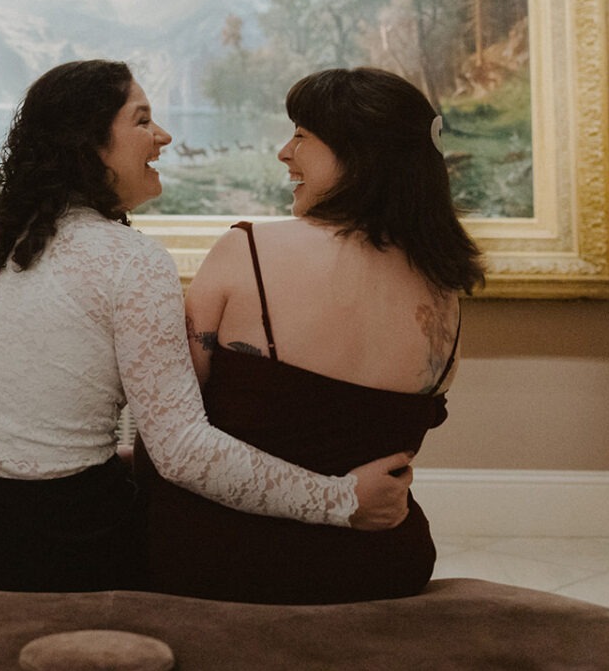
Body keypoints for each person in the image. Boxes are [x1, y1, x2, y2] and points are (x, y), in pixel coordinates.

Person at [0, 59, 415, 592]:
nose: (164, 135)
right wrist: (341, 500)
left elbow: (16, 426)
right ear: (89, 144)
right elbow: (182, 452)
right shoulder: (133, 263)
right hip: (56, 545)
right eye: (141, 120)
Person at [135, 66, 485, 604]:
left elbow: (174, 431)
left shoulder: (247, 250)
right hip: (384, 563)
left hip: (230, 560)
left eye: (301, 135)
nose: (285, 152)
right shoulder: (445, 288)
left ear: (359, 153)